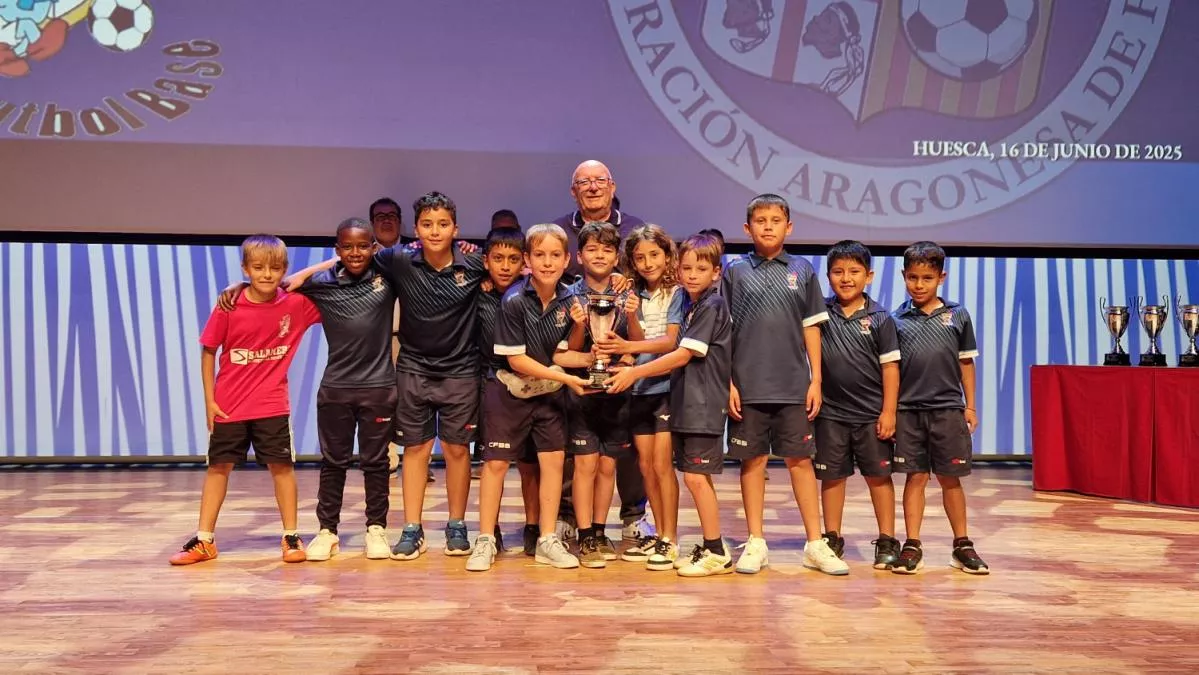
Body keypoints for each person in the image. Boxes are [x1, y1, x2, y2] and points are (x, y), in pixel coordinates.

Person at [169, 235, 322, 565]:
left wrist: (308, 273)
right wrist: (209, 401)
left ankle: (291, 535)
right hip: (229, 405)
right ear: (245, 269)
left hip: (271, 406)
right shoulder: (229, 305)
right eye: (258, 268)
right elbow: (208, 352)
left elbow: (340, 274)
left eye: (276, 268)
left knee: (282, 467)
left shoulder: (297, 305)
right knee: (218, 468)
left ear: (285, 270)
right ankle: (205, 540)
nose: (267, 274)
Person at [723, 193, 847, 576]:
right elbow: (724, 331)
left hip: (794, 385)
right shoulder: (735, 271)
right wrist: (729, 381)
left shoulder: (803, 270)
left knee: (800, 462)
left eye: (776, 220)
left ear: (788, 227)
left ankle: (814, 543)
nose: (768, 226)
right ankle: (756, 541)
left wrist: (816, 380)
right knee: (752, 461)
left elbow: (812, 327)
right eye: (760, 221)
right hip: (748, 385)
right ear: (747, 228)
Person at [466, 223, 593, 572]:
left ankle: (547, 539)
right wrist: (564, 377)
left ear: (568, 259)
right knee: (494, 465)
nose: (548, 262)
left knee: (553, 462)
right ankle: (485, 540)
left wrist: (588, 349)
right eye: (539, 255)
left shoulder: (572, 299)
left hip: (549, 397)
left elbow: (567, 351)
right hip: (508, 392)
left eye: (555, 255)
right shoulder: (514, 300)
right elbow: (516, 359)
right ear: (528, 260)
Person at [606, 233, 733, 577]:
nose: (691, 274)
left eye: (700, 268)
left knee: (691, 476)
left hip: (698, 402)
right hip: (686, 399)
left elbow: (681, 351)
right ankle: (708, 545)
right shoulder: (695, 303)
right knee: (680, 473)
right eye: (687, 267)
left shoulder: (708, 304)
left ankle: (710, 547)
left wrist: (633, 367)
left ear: (717, 272)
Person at [376, 191, 488, 561]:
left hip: (461, 371)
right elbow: (348, 260)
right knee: (416, 448)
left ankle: (457, 524)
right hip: (413, 368)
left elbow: (519, 269)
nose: (435, 231)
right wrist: (290, 281)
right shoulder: (399, 260)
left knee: (457, 450)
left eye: (443, 224)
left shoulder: (475, 264)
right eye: (427, 224)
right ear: (416, 229)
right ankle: (412, 528)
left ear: (456, 228)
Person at [552, 159, 651, 544]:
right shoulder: (559, 231)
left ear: (612, 186)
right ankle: (574, 521)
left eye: (599, 181)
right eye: (584, 182)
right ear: (573, 190)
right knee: (580, 457)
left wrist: (628, 349)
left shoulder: (637, 229)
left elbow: (652, 269)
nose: (592, 187)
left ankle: (630, 516)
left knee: (617, 457)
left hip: (622, 374)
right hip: (579, 374)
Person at [891, 241, 989, 575]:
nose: (919, 285)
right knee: (915, 478)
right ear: (904, 276)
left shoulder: (958, 315)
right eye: (913, 278)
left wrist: (971, 406)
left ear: (941, 277)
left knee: (950, 479)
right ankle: (912, 544)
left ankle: (961, 544)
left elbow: (966, 363)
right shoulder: (895, 320)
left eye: (927, 278)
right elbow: (889, 371)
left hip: (948, 409)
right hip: (908, 412)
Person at [595, 224, 684, 570]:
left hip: (666, 389)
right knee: (646, 467)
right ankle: (659, 533)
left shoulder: (676, 292)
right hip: (639, 390)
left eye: (654, 255)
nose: (647, 263)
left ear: (668, 255)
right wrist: (629, 316)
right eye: (639, 257)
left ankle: (671, 538)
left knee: (663, 467)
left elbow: (670, 342)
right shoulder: (631, 294)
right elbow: (626, 332)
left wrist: (629, 348)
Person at [815, 240, 901, 571]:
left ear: (869, 275)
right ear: (828, 275)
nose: (845, 278)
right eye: (838, 271)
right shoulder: (820, 314)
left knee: (878, 477)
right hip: (830, 414)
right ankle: (832, 537)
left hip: (871, 415)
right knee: (832, 477)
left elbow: (890, 368)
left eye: (854, 271)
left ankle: (887, 538)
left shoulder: (881, 318)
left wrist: (888, 411)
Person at [562, 222, 642, 568]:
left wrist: (633, 316)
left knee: (608, 466)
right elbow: (570, 348)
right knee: (584, 465)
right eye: (592, 249)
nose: (599, 255)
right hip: (582, 389)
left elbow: (636, 344)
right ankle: (584, 536)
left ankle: (599, 528)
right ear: (579, 257)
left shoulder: (627, 293)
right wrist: (579, 324)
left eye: (607, 250)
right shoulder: (569, 294)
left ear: (616, 257)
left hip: (616, 388)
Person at [474, 226, 544, 556]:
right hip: (493, 384)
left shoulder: (532, 293)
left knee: (531, 463)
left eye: (513, 259)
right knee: (495, 462)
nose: (504, 266)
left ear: (524, 263)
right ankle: (490, 531)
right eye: (497, 259)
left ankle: (534, 526)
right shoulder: (477, 290)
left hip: (534, 386)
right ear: (486, 261)